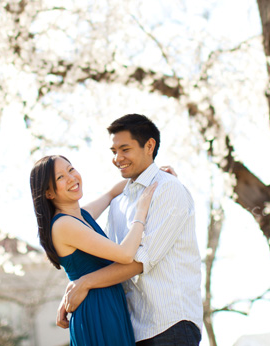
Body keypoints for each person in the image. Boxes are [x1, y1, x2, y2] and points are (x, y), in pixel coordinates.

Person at [57, 114, 205, 346]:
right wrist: (72, 291)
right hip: (132, 328)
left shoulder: (169, 190)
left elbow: (139, 261)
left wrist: (83, 284)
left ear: (149, 146)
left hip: (170, 324)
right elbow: (107, 260)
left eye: (125, 149)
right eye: (114, 151)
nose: (118, 158)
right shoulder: (119, 203)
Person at [30, 154, 157, 346]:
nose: (71, 178)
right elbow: (125, 254)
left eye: (71, 169)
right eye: (60, 177)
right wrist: (141, 212)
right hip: (97, 310)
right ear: (49, 193)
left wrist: (156, 177)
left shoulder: (80, 216)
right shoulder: (63, 225)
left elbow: (110, 194)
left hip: (107, 304)